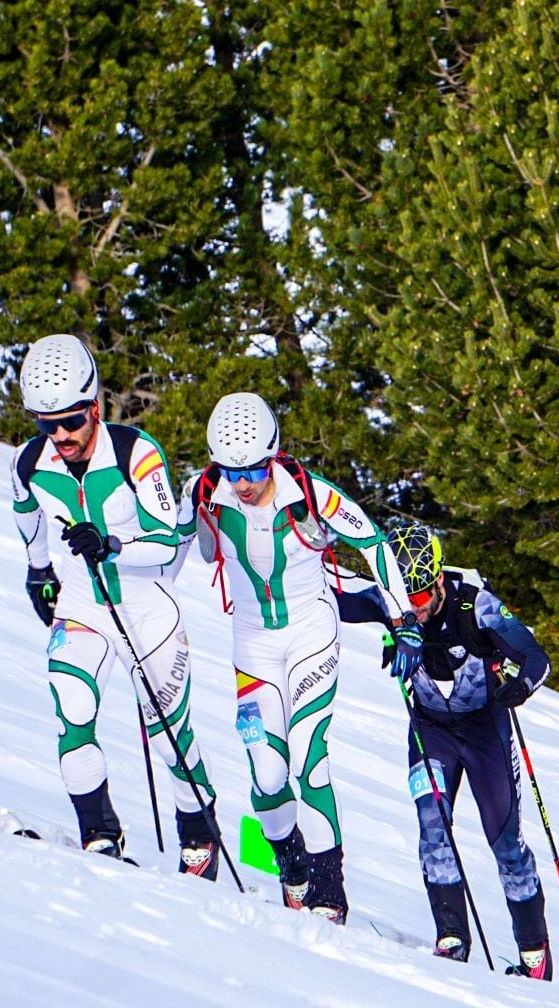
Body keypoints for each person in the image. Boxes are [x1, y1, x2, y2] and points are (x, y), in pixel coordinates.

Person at [175, 392, 416, 923]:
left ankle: (330, 894)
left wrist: (402, 622)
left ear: (273, 453)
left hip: (311, 632)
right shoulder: (204, 491)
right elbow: (170, 553)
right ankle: (293, 871)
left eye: (254, 468)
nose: (242, 482)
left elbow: (374, 544)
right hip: (253, 643)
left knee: (309, 762)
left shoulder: (308, 492)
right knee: (267, 772)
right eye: (230, 469)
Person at [10, 333, 222, 878]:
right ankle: (100, 837)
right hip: (84, 605)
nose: (60, 436)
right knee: (72, 712)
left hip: (146, 609)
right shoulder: (28, 462)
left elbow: (166, 542)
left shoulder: (136, 452)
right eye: (45, 424)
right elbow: (27, 514)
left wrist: (112, 545)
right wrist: (39, 570)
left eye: (72, 421)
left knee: (170, 738)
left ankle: (198, 836)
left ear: (95, 407)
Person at [382, 521, 555, 980]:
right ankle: (452, 937)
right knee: (431, 823)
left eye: (419, 599)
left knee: (506, 843)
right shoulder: (393, 598)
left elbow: (537, 658)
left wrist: (518, 685)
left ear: (438, 580)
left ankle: (534, 953)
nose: (412, 610)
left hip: (483, 730)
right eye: (404, 599)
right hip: (431, 728)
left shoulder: (474, 603)